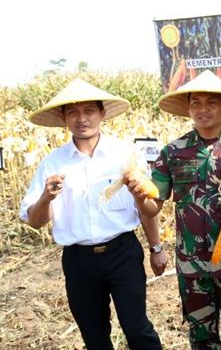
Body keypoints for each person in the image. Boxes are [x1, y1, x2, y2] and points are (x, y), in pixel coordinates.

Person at [130, 69, 221, 350]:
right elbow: (152, 207)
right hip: (192, 265)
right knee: (202, 339)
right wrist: (137, 194)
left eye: (211, 103)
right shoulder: (174, 152)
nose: (202, 110)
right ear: (188, 108)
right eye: (196, 103)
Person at [19, 78, 164, 350]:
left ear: (102, 114)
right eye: (73, 112)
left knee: (137, 330)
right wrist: (46, 197)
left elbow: (146, 208)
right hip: (78, 260)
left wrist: (156, 247)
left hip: (123, 253)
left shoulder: (124, 155)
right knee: (94, 336)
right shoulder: (53, 162)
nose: (81, 118)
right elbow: (36, 221)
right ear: (64, 118)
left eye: (89, 111)